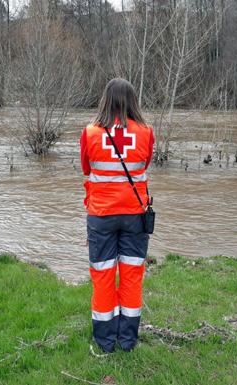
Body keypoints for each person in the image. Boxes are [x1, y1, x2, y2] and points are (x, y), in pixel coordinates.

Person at [79, 78, 154, 352]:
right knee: (132, 275)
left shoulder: (90, 132)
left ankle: (105, 340)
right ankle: (127, 340)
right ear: (133, 100)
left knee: (103, 275)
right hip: (135, 214)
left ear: (105, 100)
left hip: (101, 215)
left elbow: (87, 168)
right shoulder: (146, 131)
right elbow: (144, 164)